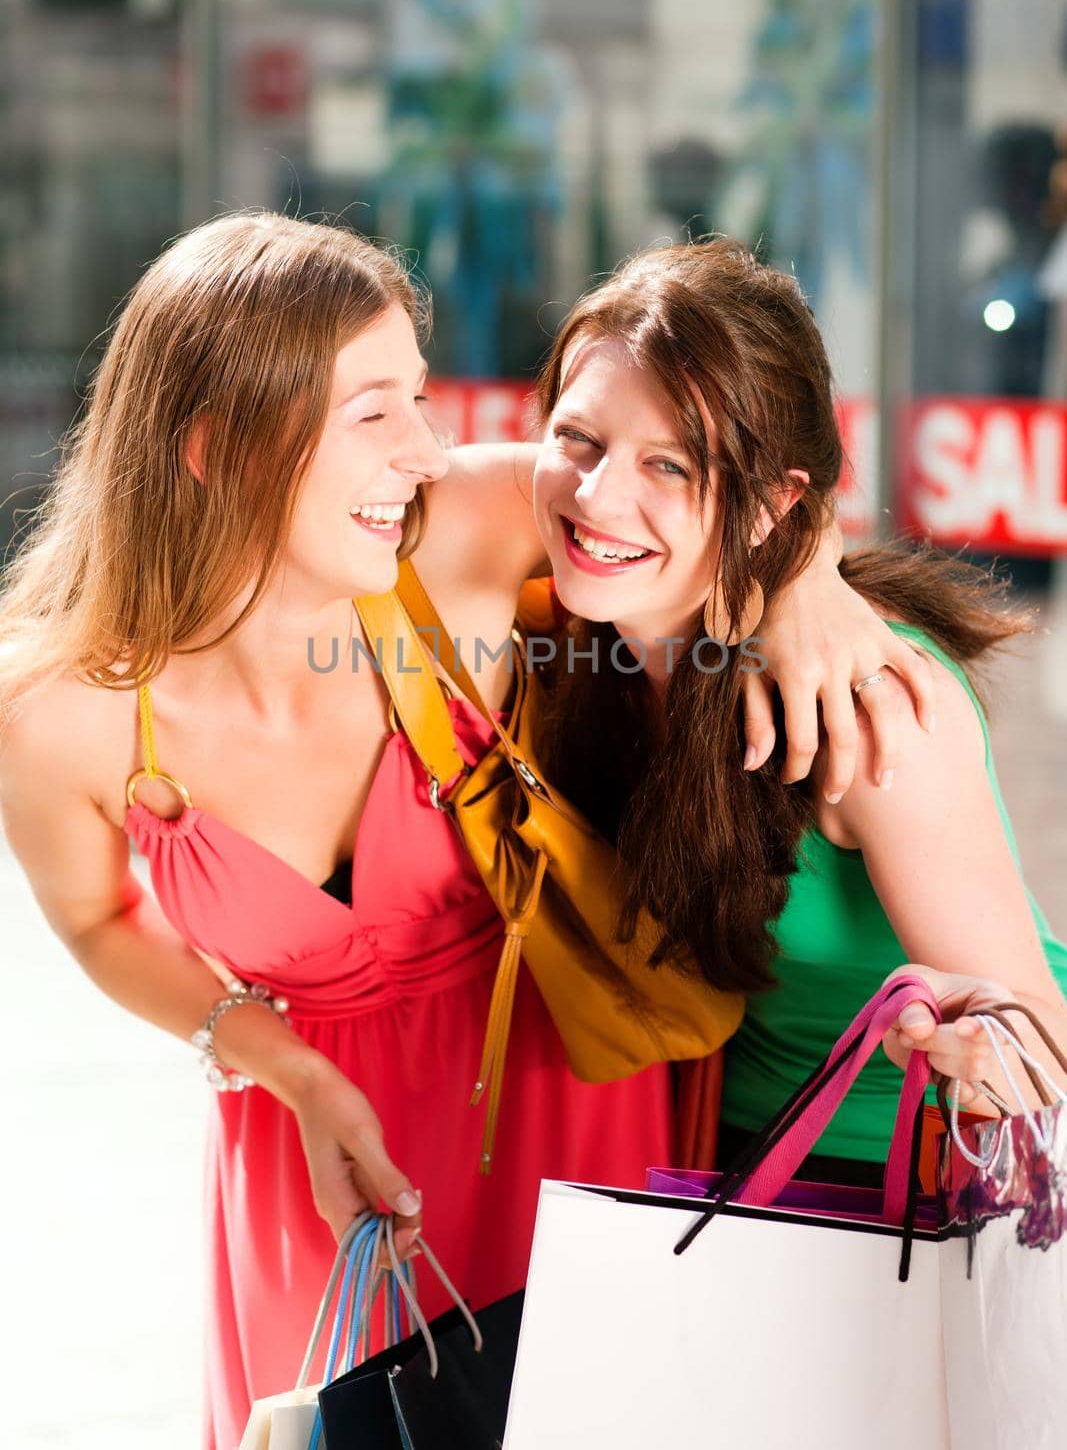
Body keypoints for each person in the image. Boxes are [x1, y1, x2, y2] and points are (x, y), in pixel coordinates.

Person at [0, 213, 945, 1448]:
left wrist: (809, 569)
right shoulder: (53, 709)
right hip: (316, 1165)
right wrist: (277, 1061)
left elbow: (692, 472)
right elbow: (94, 920)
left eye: (421, 395)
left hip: (564, 1097)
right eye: (375, 411)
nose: (430, 446)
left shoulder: (448, 538)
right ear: (217, 446)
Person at [527, 236, 1067, 1185]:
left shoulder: (868, 706)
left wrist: (979, 1046)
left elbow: (1040, 1047)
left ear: (775, 503)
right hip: (705, 1171)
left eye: (671, 466)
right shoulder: (565, 626)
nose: (599, 495)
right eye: (578, 438)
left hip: (906, 1187)